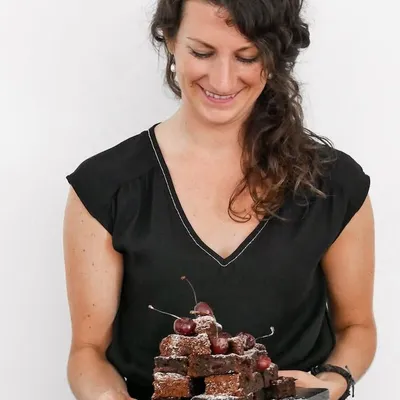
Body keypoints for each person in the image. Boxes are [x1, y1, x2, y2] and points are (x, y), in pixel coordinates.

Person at [63, 1, 376, 399]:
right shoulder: (105, 188)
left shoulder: (335, 185)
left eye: (247, 57)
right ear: (171, 39)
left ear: (275, 56)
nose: (223, 80)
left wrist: (331, 382)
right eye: (202, 52)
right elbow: (88, 352)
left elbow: (356, 327)